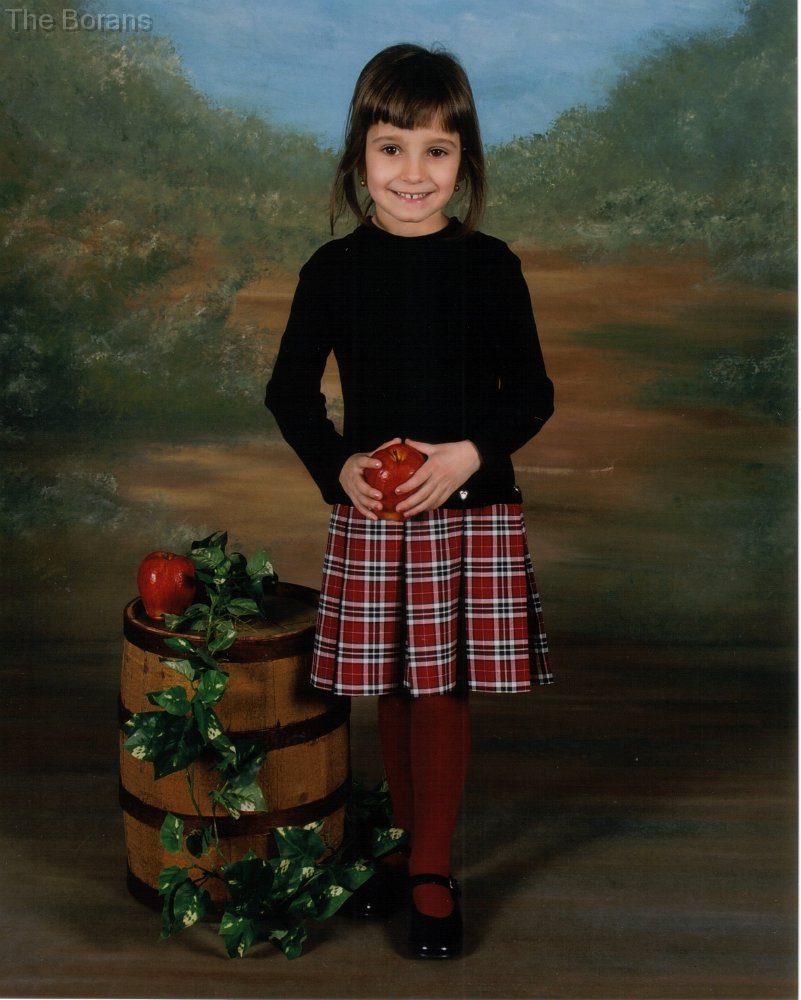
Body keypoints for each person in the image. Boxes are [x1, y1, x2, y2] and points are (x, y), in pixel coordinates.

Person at [265, 43, 554, 959]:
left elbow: (532, 396)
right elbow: (289, 395)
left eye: (437, 150)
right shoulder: (333, 270)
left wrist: (469, 452)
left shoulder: (491, 266)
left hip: (468, 513)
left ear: (464, 162)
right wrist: (339, 467)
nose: (413, 172)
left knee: (439, 690)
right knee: (389, 686)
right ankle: (398, 844)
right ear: (359, 157)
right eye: (392, 148)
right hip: (375, 516)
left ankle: (431, 868)